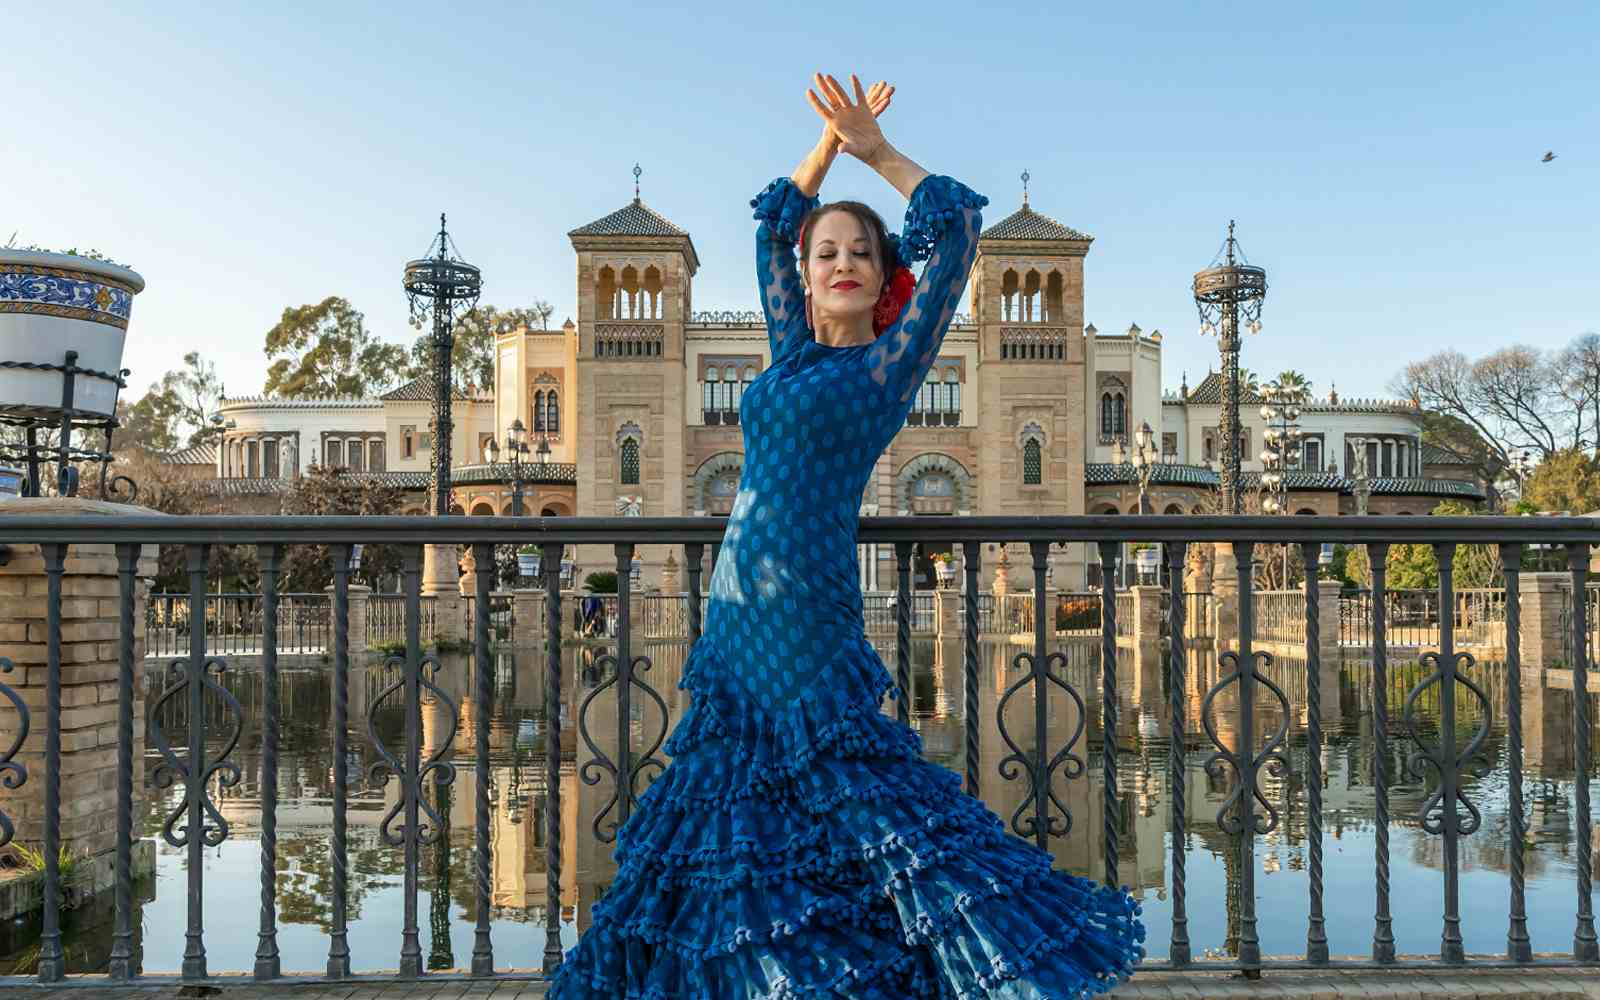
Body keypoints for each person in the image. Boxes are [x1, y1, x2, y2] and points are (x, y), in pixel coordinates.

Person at [549, 72, 1144, 999]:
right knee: (737, 810)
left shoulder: (886, 367)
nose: (838, 263)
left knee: (846, 792)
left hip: (804, 612)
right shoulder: (788, 353)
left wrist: (875, 153)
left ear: (879, 276)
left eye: (859, 252)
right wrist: (821, 148)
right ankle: (763, 978)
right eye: (826, 251)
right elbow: (768, 228)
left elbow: (958, 240)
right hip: (735, 611)